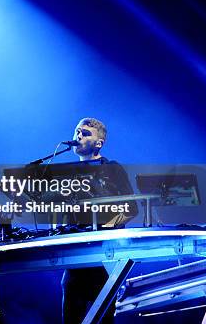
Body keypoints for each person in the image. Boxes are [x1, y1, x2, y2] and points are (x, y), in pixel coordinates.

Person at [61, 117, 138, 324]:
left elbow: (132, 208)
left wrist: (105, 228)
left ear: (98, 143)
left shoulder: (112, 168)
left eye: (85, 133)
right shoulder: (67, 173)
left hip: (105, 256)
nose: (78, 136)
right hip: (76, 257)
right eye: (77, 131)